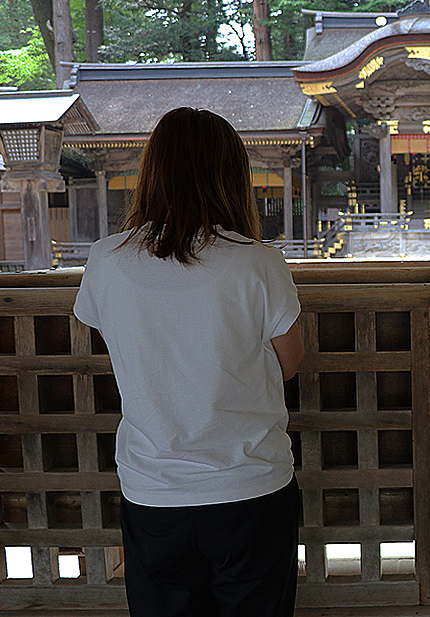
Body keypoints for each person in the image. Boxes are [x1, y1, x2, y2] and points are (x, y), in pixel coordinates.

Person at [74, 107, 304, 617]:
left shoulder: (106, 259)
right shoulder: (259, 263)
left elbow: (107, 332)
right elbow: (289, 363)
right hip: (250, 483)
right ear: (232, 177)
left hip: (153, 486)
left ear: (150, 172)